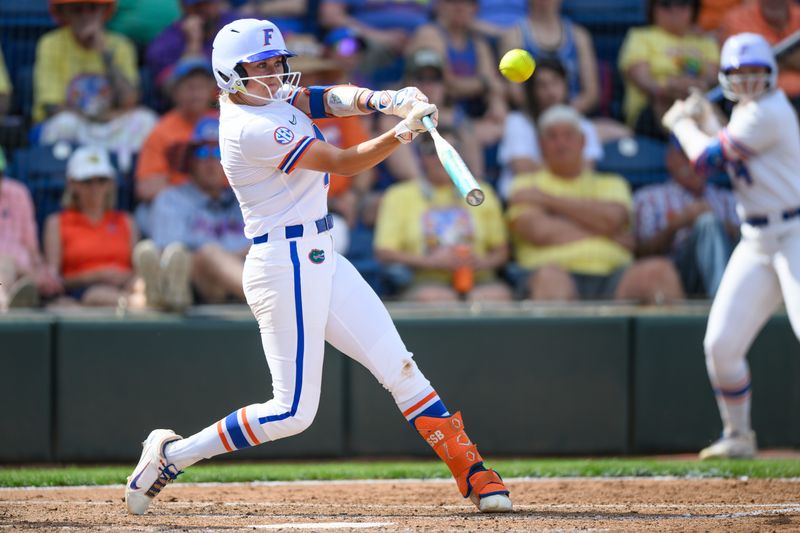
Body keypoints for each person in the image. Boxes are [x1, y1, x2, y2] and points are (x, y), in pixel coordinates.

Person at [124, 18, 512, 516]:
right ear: (229, 75)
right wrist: (402, 132)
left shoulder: (264, 99)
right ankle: (172, 455)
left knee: (399, 366)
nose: (272, 75)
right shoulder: (253, 126)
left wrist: (385, 99)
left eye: (275, 64)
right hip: (283, 267)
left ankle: (474, 471)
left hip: (320, 253)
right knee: (291, 412)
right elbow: (344, 161)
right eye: (258, 67)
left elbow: (323, 98)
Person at [661, 33, 800, 459]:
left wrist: (684, 123)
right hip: (756, 240)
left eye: (756, 73)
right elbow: (730, 144)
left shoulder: (770, 111)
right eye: (739, 75)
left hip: (794, 233)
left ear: (772, 75)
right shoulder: (747, 113)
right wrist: (705, 121)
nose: (748, 82)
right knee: (720, 346)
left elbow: (707, 160)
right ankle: (738, 435)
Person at [507, 105, 685, 302]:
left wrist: (549, 201)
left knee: (660, 272)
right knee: (551, 280)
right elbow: (540, 231)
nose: (561, 143)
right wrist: (609, 235)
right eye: (552, 136)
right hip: (552, 271)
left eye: (568, 135)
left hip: (614, 276)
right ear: (540, 144)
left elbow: (613, 220)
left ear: (582, 141)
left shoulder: (612, 183)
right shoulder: (524, 184)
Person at [374, 127, 512, 303]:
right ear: (420, 157)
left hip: (478, 278)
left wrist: (480, 263)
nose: (441, 158)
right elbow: (384, 252)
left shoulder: (479, 191)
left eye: (450, 151)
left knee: (494, 297)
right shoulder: (399, 195)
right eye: (431, 151)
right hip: (422, 280)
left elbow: (502, 250)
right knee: (437, 298)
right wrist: (431, 262)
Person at [139, 116, 247, 307]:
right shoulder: (171, 199)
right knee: (208, 253)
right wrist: (218, 257)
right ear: (190, 161)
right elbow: (170, 254)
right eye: (203, 152)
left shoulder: (245, 198)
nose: (212, 161)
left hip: (242, 278)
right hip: (194, 286)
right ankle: (272, 304)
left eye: (220, 152)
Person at [42, 145, 144, 308]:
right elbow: (54, 280)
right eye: (87, 181)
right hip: (82, 292)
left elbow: (138, 270)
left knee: (141, 284)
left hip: (126, 286)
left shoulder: (127, 221)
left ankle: (151, 296)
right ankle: (141, 304)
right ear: (73, 184)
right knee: (97, 294)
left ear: (110, 183)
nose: (95, 188)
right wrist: (96, 276)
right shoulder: (56, 223)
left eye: (101, 180)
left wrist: (127, 278)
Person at [634, 141, 739, 298]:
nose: (693, 160)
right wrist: (678, 224)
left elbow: (749, 240)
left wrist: (720, 225)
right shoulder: (649, 198)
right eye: (684, 153)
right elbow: (641, 253)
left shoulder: (727, 198)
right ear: (670, 160)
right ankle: (725, 304)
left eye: (699, 154)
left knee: (709, 223)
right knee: (707, 223)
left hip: (728, 270)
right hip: (676, 275)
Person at [496, 58, 605, 200]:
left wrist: (541, 167)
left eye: (555, 83)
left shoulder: (584, 126)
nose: (550, 91)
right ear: (532, 91)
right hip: (526, 200)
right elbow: (522, 168)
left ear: (565, 86)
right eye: (542, 85)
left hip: (571, 200)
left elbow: (586, 170)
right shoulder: (517, 122)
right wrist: (566, 167)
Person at [135, 56, 218, 234]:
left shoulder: (227, 123)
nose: (196, 93)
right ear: (175, 92)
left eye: (201, 87)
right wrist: (196, 183)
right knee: (147, 212)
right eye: (189, 87)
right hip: (180, 204)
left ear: (211, 89)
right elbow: (147, 188)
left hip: (223, 204)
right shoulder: (161, 132)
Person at [408, 0, 507, 146]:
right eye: (453, 1)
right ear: (440, 5)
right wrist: (484, 83)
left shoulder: (478, 42)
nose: (460, 7)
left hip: (467, 114)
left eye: (468, 2)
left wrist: (496, 102)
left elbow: (494, 83)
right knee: (468, 133)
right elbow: (449, 85)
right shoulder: (430, 34)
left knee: (504, 124)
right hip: (435, 112)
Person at [618, 0, 719, 140]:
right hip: (651, 113)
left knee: (700, 101)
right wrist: (670, 86)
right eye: (665, 4)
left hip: (699, 105)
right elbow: (642, 80)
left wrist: (690, 86)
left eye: (682, 4)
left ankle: (719, 147)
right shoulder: (640, 37)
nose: (674, 10)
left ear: (694, 9)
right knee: (667, 98)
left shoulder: (705, 42)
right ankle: (687, 144)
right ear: (653, 9)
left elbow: (714, 78)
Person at [34, 0, 140, 124]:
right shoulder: (50, 44)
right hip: (73, 125)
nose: (85, 16)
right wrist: (93, 119)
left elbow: (129, 101)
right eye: (77, 10)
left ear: (104, 11)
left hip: (109, 124)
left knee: (143, 119)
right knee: (65, 122)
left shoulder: (121, 45)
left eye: (93, 8)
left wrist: (105, 54)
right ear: (64, 13)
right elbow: (51, 107)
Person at [500, 0, 599, 115]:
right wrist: (541, 115)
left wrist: (562, 115)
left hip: (571, 116)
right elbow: (515, 92)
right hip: (530, 117)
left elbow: (591, 93)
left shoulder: (579, 36)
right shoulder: (514, 36)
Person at [0, 148, 63, 311]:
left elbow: (31, 247)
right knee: (5, 263)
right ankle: (5, 301)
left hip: (24, 275)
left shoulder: (18, 193)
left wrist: (41, 271)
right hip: (10, 271)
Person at [720, 0, 800, 111]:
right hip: (756, 99)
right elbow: (741, 67)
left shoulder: (797, 13)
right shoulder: (739, 17)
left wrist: (768, 53)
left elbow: (760, 58)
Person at [146, 0, 239, 90]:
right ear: (184, 7)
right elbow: (169, 85)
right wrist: (193, 43)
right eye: (197, 6)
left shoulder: (234, 26)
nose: (203, 11)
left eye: (207, 4)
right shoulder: (171, 38)